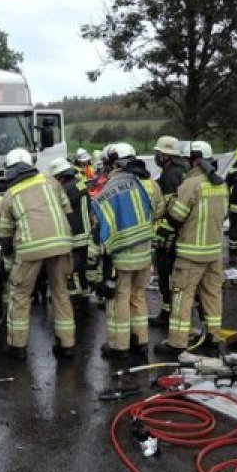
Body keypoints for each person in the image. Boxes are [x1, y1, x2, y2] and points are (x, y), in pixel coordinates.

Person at [0, 148, 75, 360]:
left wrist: (10, 262)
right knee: (61, 293)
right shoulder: (50, 181)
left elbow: (5, 234)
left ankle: (17, 347)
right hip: (61, 243)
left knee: (20, 295)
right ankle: (67, 344)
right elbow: (68, 211)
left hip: (30, 247)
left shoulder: (10, 194)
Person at [155, 140, 228, 356]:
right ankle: (213, 336)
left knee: (182, 295)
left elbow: (177, 215)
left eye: (187, 160)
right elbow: (223, 214)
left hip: (190, 253)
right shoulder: (220, 184)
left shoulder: (191, 184)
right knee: (212, 294)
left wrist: (167, 209)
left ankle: (177, 342)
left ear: (194, 160)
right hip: (214, 251)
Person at [92, 143, 155, 360]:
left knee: (120, 298)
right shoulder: (148, 184)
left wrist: (94, 260)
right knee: (138, 296)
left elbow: (101, 226)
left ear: (114, 163)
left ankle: (119, 347)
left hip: (123, 255)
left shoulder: (110, 189)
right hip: (145, 253)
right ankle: (141, 341)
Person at [150, 135, 186, 327]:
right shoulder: (177, 172)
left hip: (170, 234)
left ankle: (168, 314)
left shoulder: (171, 175)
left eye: (158, 153)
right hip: (174, 232)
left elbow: (171, 207)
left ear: (166, 156)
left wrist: (164, 234)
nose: (156, 156)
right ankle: (167, 311)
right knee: (166, 274)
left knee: (166, 274)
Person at [48, 157, 91, 298]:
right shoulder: (80, 184)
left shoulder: (66, 189)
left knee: (71, 266)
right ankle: (84, 291)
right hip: (86, 231)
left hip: (74, 232)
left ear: (60, 175)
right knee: (82, 265)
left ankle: (73, 295)